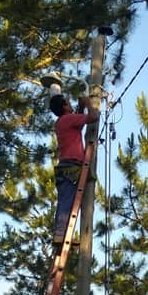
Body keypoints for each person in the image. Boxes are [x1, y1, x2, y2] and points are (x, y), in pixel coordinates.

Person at [49, 93, 94, 245]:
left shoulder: (62, 122)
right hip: (71, 165)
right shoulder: (68, 119)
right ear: (64, 106)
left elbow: (79, 124)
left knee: (67, 199)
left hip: (66, 165)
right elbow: (93, 117)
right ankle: (61, 233)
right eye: (68, 103)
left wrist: (81, 107)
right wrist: (88, 103)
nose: (70, 104)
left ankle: (61, 233)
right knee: (67, 201)